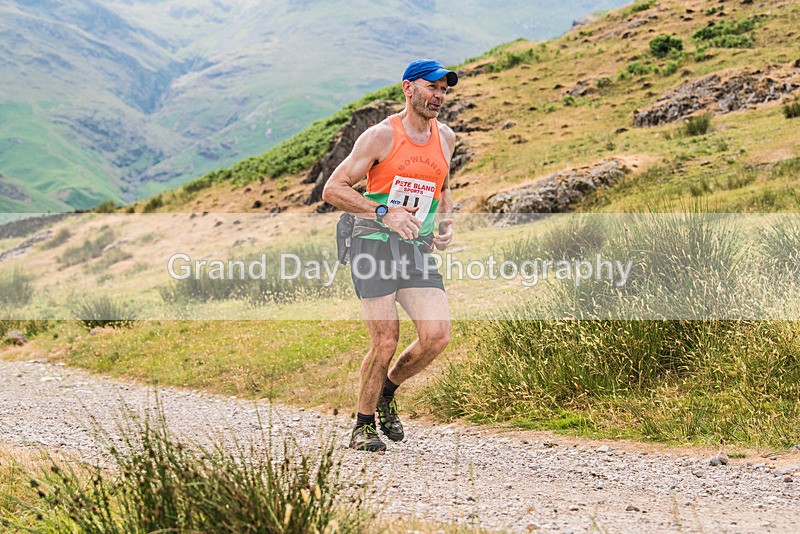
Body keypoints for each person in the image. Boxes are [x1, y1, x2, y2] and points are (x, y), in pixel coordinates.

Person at [322, 59, 458, 452]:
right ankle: (362, 426)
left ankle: (386, 392)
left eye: (444, 89)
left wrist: (444, 223)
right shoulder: (380, 136)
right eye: (431, 87)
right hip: (372, 244)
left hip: (414, 247)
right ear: (408, 88)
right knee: (385, 341)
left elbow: (442, 185)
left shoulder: (445, 137)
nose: (438, 95)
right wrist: (385, 211)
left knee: (436, 336)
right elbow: (333, 189)